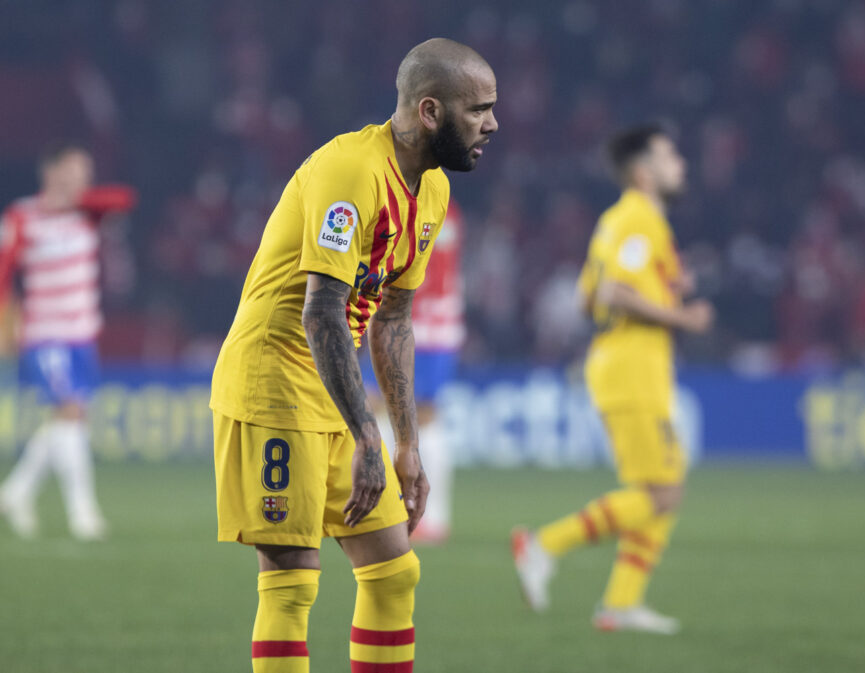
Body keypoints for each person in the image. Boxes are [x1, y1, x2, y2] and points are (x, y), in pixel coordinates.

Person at [209, 38, 496, 673]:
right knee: (292, 583)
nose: (492, 124)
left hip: (334, 394)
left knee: (395, 574)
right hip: (274, 382)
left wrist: (406, 442)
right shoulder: (351, 174)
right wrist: (367, 434)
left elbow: (392, 319)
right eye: (478, 109)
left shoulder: (433, 192)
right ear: (429, 111)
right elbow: (321, 312)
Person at [512, 124, 713, 634]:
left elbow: (588, 294)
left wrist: (668, 287)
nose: (681, 165)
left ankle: (621, 602)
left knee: (662, 488)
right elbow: (614, 293)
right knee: (664, 492)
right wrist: (681, 316)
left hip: (630, 364)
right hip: (632, 367)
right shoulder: (638, 217)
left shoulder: (617, 222)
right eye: (670, 156)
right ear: (643, 171)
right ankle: (543, 546)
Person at [0, 142, 136, 541]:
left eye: (86, 171)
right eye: (76, 170)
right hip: (46, 333)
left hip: (82, 333)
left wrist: (73, 200)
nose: (83, 178)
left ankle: (15, 493)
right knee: (70, 412)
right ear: (52, 170)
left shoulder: (88, 211)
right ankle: (83, 514)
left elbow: (126, 198)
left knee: (67, 421)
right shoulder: (22, 217)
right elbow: (4, 271)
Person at [362, 199, 465, 544]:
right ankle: (407, 512)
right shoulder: (443, 209)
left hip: (417, 323)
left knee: (413, 414)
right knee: (386, 409)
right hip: (427, 322)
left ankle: (426, 517)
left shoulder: (419, 207)